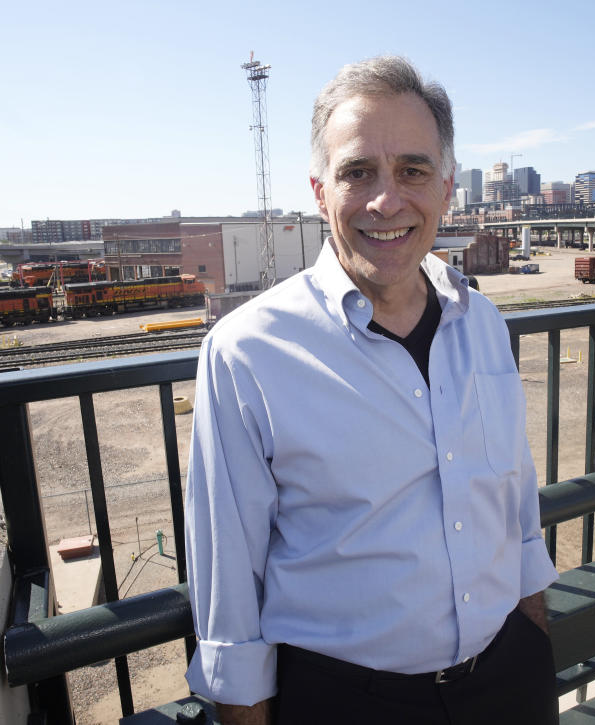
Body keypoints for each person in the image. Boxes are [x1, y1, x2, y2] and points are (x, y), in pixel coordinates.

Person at [184, 56, 559, 725]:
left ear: (445, 189)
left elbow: (516, 506)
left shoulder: (486, 326)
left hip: (509, 679)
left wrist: (534, 637)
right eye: (358, 172)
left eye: (412, 170)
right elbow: (227, 596)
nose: (387, 200)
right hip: (349, 703)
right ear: (321, 191)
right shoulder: (247, 353)